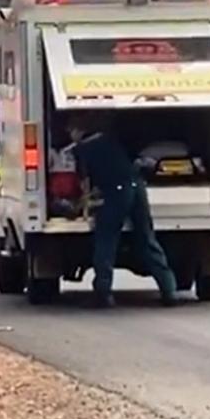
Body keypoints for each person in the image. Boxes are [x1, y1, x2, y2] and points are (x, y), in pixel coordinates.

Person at [66, 116, 177, 308]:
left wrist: (82, 205)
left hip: (117, 192)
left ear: (77, 131)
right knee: (146, 238)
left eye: (70, 132)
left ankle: (103, 293)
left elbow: (84, 183)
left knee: (106, 240)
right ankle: (169, 290)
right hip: (137, 186)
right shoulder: (109, 139)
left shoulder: (82, 149)